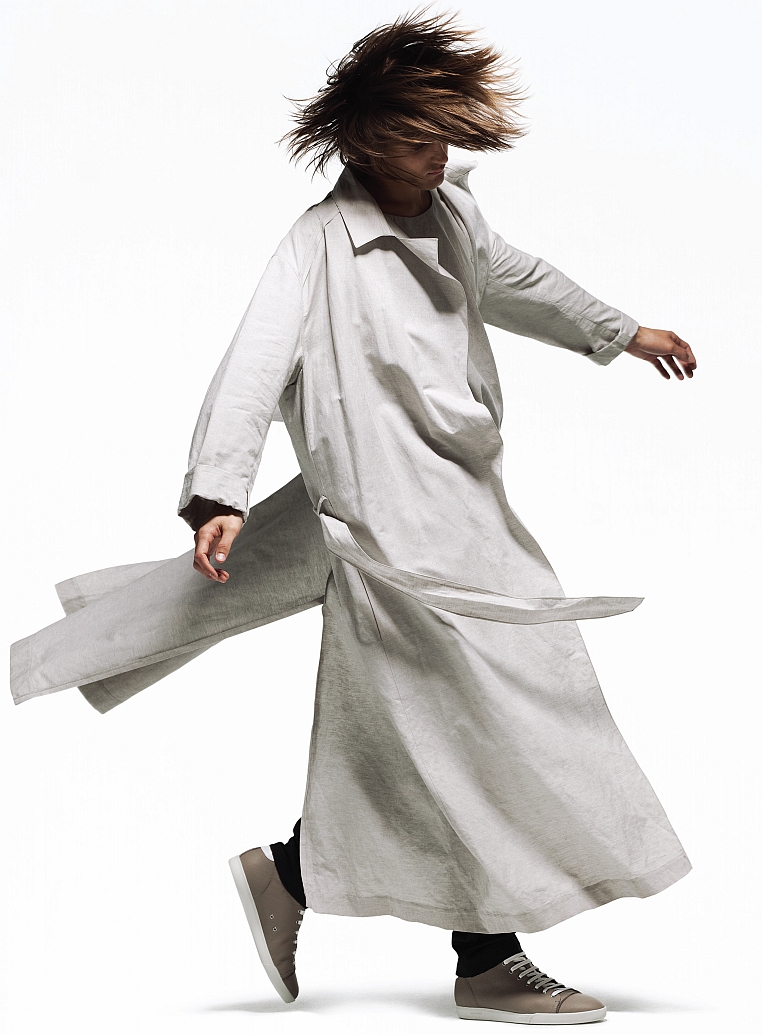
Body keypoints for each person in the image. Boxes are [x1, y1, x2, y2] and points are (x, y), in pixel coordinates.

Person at [9, 9, 696, 1026]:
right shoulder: (317, 247)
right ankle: (483, 957)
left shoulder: (453, 216)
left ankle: (293, 871)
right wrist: (218, 491)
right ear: (366, 140)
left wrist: (622, 332)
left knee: (463, 724)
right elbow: (252, 365)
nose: (440, 154)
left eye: (446, 135)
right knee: (470, 729)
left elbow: (518, 280)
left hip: (468, 510)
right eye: (419, 138)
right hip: (387, 537)